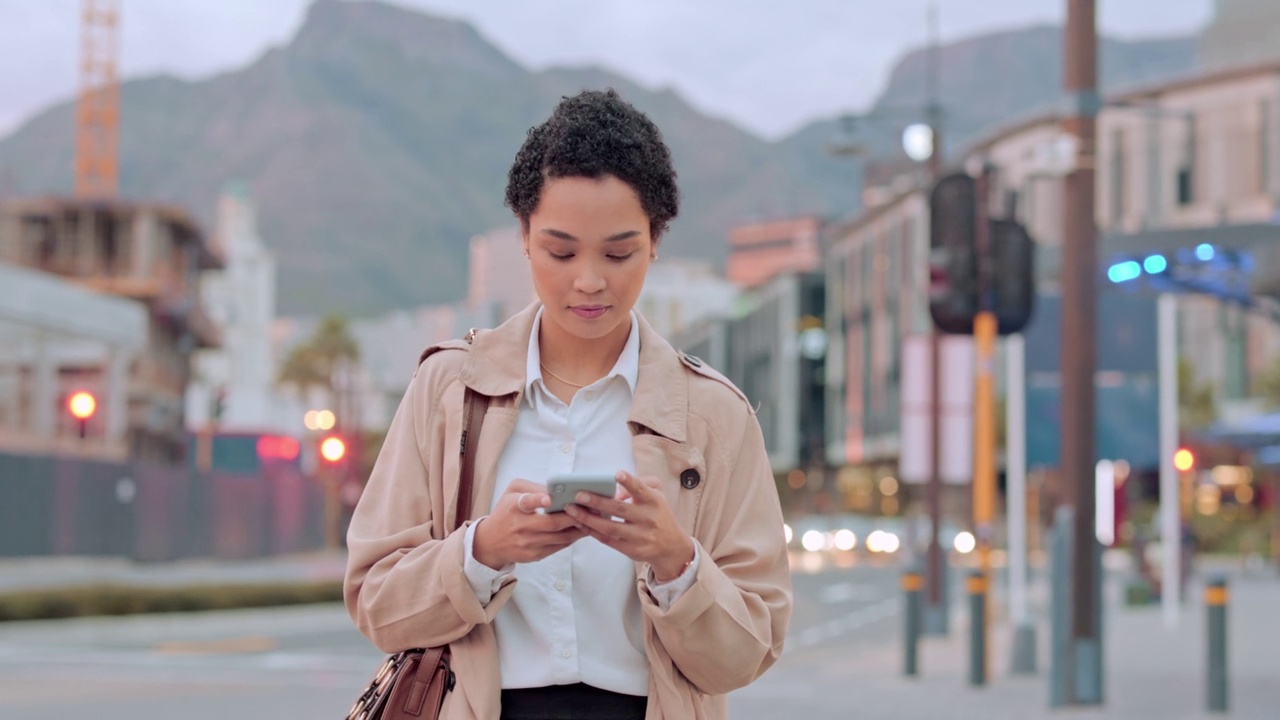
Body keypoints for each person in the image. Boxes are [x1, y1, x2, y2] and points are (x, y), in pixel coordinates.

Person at [344, 88, 792, 720]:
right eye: (560, 251)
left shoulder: (715, 415)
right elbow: (375, 601)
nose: (588, 280)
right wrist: (485, 550)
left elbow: (747, 652)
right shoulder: (449, 388)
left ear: (655, 241)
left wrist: (674, 558)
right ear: (524, 237)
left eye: (618, 252)